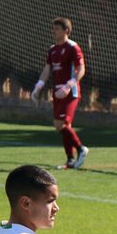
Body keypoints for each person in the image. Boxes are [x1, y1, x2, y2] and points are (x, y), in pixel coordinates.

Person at [31, 17, 88, 170]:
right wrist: (38, 86)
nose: (54, 31)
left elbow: (81, 69)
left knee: (59, 124)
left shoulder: (72, 47)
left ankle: (81, 149)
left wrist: (70, 85)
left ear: (66, 31)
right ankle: (70, 160)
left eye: (57, 29)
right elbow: (47, 69)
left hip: (70, 92)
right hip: (57, 92)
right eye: (53, 28)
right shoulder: (52, 49)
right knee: (64, 126)